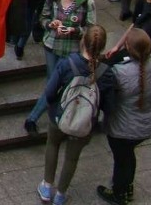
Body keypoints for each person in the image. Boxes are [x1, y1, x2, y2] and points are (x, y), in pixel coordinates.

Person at [37, 25, 113, 205]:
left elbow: (49, 92)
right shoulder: (106, 73)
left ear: (82, 41)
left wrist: (53, 107)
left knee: (53, 144)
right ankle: (61, 194)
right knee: (72, 157)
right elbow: (109, 105)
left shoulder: (68, 63)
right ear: (102, 47)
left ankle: (47, 186)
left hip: (60, 115)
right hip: (85, 123)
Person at [97, 29, 151, 205]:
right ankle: (127, 186)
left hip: (122, 128)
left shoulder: (119, 72)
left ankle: (119, 192)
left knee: (122, 159)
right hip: (149, 124)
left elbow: (108, 96)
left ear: (128, 48)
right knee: (127, 155)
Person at [25, 0, 97, 133]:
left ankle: (33, 118)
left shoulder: (87, 2)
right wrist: (51, 24)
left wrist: (75, 29)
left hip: (72, 49)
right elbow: (43, 18)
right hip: (52, 44)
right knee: (53, 81)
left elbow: (92, 28)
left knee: (55, 83)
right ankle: (38, 116)